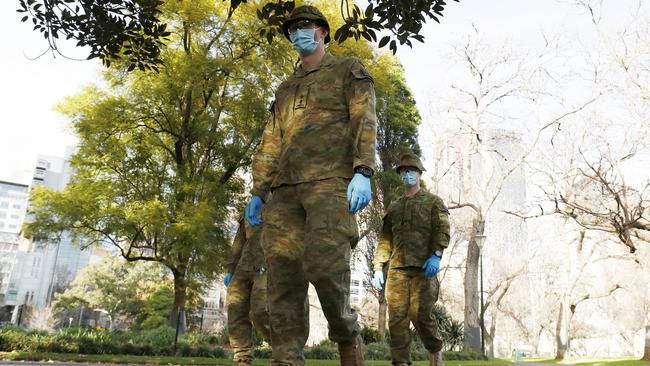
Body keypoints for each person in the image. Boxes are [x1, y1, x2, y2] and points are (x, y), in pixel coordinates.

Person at [244, 5, 377, 366]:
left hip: (331, 184)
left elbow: (364, 118)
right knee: (282, 277)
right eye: (293, 30)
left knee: (324, 265)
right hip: (284, 192)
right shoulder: (285, 89)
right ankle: (286, 358)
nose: (298, 34)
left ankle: (347, 335)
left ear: (322, 32)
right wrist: (258, 191)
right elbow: (271, 141)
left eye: (305, 27)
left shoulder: (348, 69)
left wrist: (363, 170)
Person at [373, 152, 450, 366]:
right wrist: (379, 266)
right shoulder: (395, 206)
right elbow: (385, 238)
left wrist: (436, 255)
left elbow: (442, 229)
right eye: (404, 171)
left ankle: (435, 351)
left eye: (411, 171)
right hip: (397, 269)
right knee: (397, 320)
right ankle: (401, 362)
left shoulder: (433, 202)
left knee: (420, 315)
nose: (407, 175)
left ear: (419, 174)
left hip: (424, 269)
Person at [224, 218, 271, 366]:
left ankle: (284, 345)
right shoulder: (251, 208)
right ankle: (242, 357)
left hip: (269, 263)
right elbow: (240, 240)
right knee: (235, 307)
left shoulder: (283, 199)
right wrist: (231, 268)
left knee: (260, 309)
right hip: (245, 264)